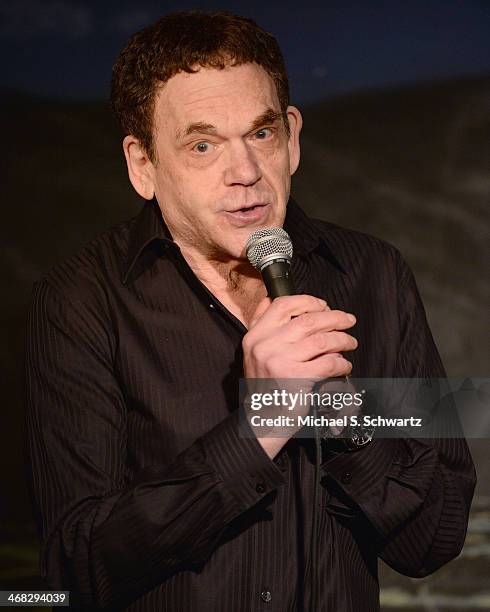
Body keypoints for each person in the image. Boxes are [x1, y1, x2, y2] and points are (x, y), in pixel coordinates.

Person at [25, 10, 476, 611]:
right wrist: (259, 427)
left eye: (261, 134)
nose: (244, 174)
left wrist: (345, 420)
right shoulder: (81, 300)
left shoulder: (375, 274)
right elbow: (75, 567)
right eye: (203, 144)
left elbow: (433, 542)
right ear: (142, 165)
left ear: (292, 137)